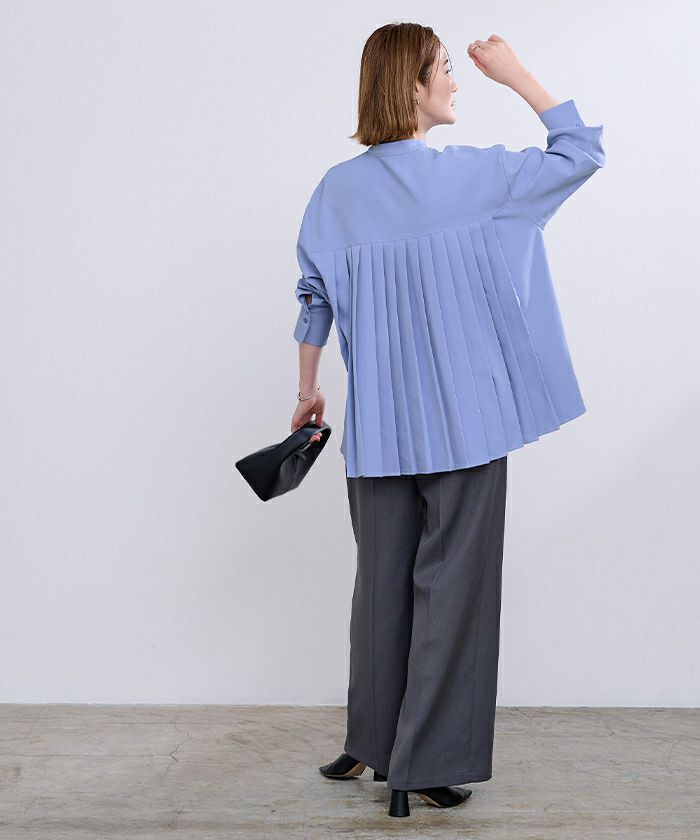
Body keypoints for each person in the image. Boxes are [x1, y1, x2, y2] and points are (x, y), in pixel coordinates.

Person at [289, 23, 605, 819]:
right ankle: (423, 766)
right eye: (445, 70)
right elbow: (580, 152)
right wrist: (516, 74)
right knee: (453, 591)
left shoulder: (335, 190)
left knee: (380, 589)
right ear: (413, 86)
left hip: (379, 426)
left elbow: (314, 296)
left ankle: (372, 742)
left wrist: (307, 390)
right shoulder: (474, 177)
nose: (456, 82)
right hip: (467, 421)